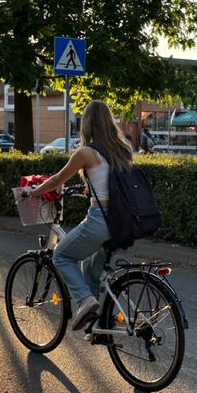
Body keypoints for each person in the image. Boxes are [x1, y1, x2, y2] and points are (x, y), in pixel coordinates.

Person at [29, 100, 133, 331]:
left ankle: (85, 301)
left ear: (87, 123)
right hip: (124, 221)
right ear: (109, 122)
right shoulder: (122, 149)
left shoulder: (86, 152)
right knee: (91, 269)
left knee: (61, 257)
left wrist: (35, 191)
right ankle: (95, 328)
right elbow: (114, 182)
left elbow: (57, 179)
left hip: (101, 220)